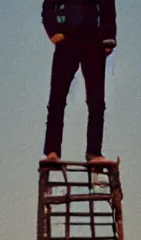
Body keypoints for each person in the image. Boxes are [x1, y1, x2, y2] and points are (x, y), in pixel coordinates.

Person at [41, 0, 117, 163]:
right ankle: (52, 151)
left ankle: (94, 152)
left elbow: (108, 7)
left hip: (94, 40)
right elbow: (48, 6)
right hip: (67, 38)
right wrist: (53, 31)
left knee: (96, 100)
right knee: (57, 98)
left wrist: (109, 38)